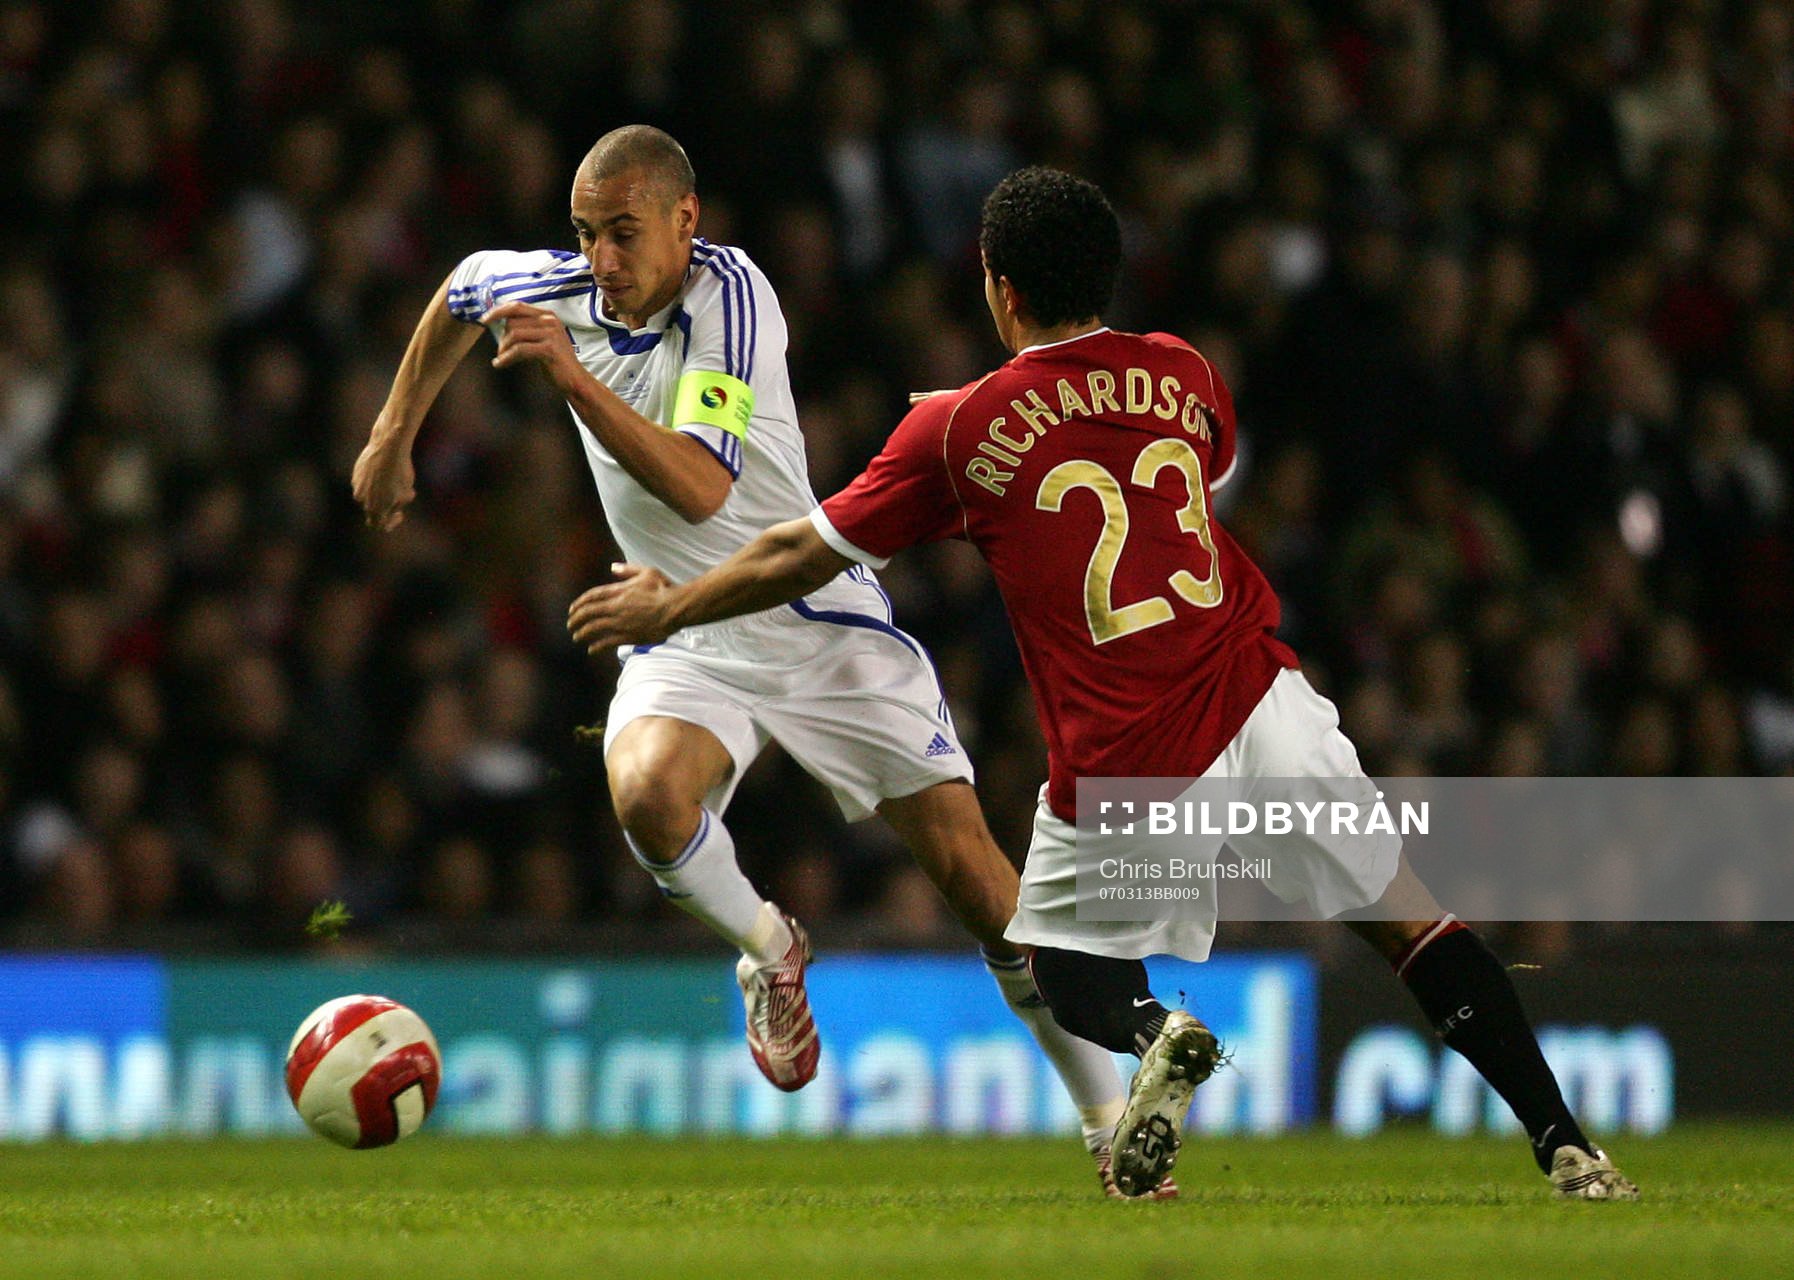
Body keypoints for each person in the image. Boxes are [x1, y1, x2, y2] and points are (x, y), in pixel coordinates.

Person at [568, 165, 1640, 1202]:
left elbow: (800, 552)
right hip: (1259, 696)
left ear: (1001, 287)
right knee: (1412, 924)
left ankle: (1156, 1033)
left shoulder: (955, 432)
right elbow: (1181, 463)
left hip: (1131, 751)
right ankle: (1569, 1146)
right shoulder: (1184, 370)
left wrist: (672, 607)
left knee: (1071, 972)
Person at [351, 128, 1141, 1194]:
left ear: (687, 220)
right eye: (584, 233)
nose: (601, 260)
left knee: (974, 878)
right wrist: (393, 432)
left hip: (810, 613)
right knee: (646, 794)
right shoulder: (553, 287)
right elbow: (459, 291)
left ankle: (1109, 1118)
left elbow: (700, 487)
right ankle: (771, 951)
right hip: (682, 626)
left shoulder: (732, 298)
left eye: (624, 232)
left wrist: (572, 379)